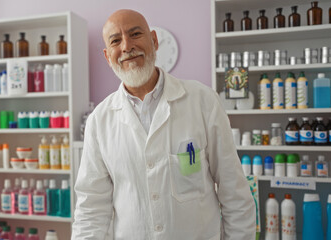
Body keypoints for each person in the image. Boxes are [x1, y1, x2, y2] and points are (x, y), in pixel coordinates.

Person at [72, 9, 256, 240]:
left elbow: (234, 193)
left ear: (154, 40)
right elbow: (91, 209)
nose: (127, 46)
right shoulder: (99, 121)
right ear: (108, 56)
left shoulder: (202, 101)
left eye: (135, 34)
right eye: (116, 41)